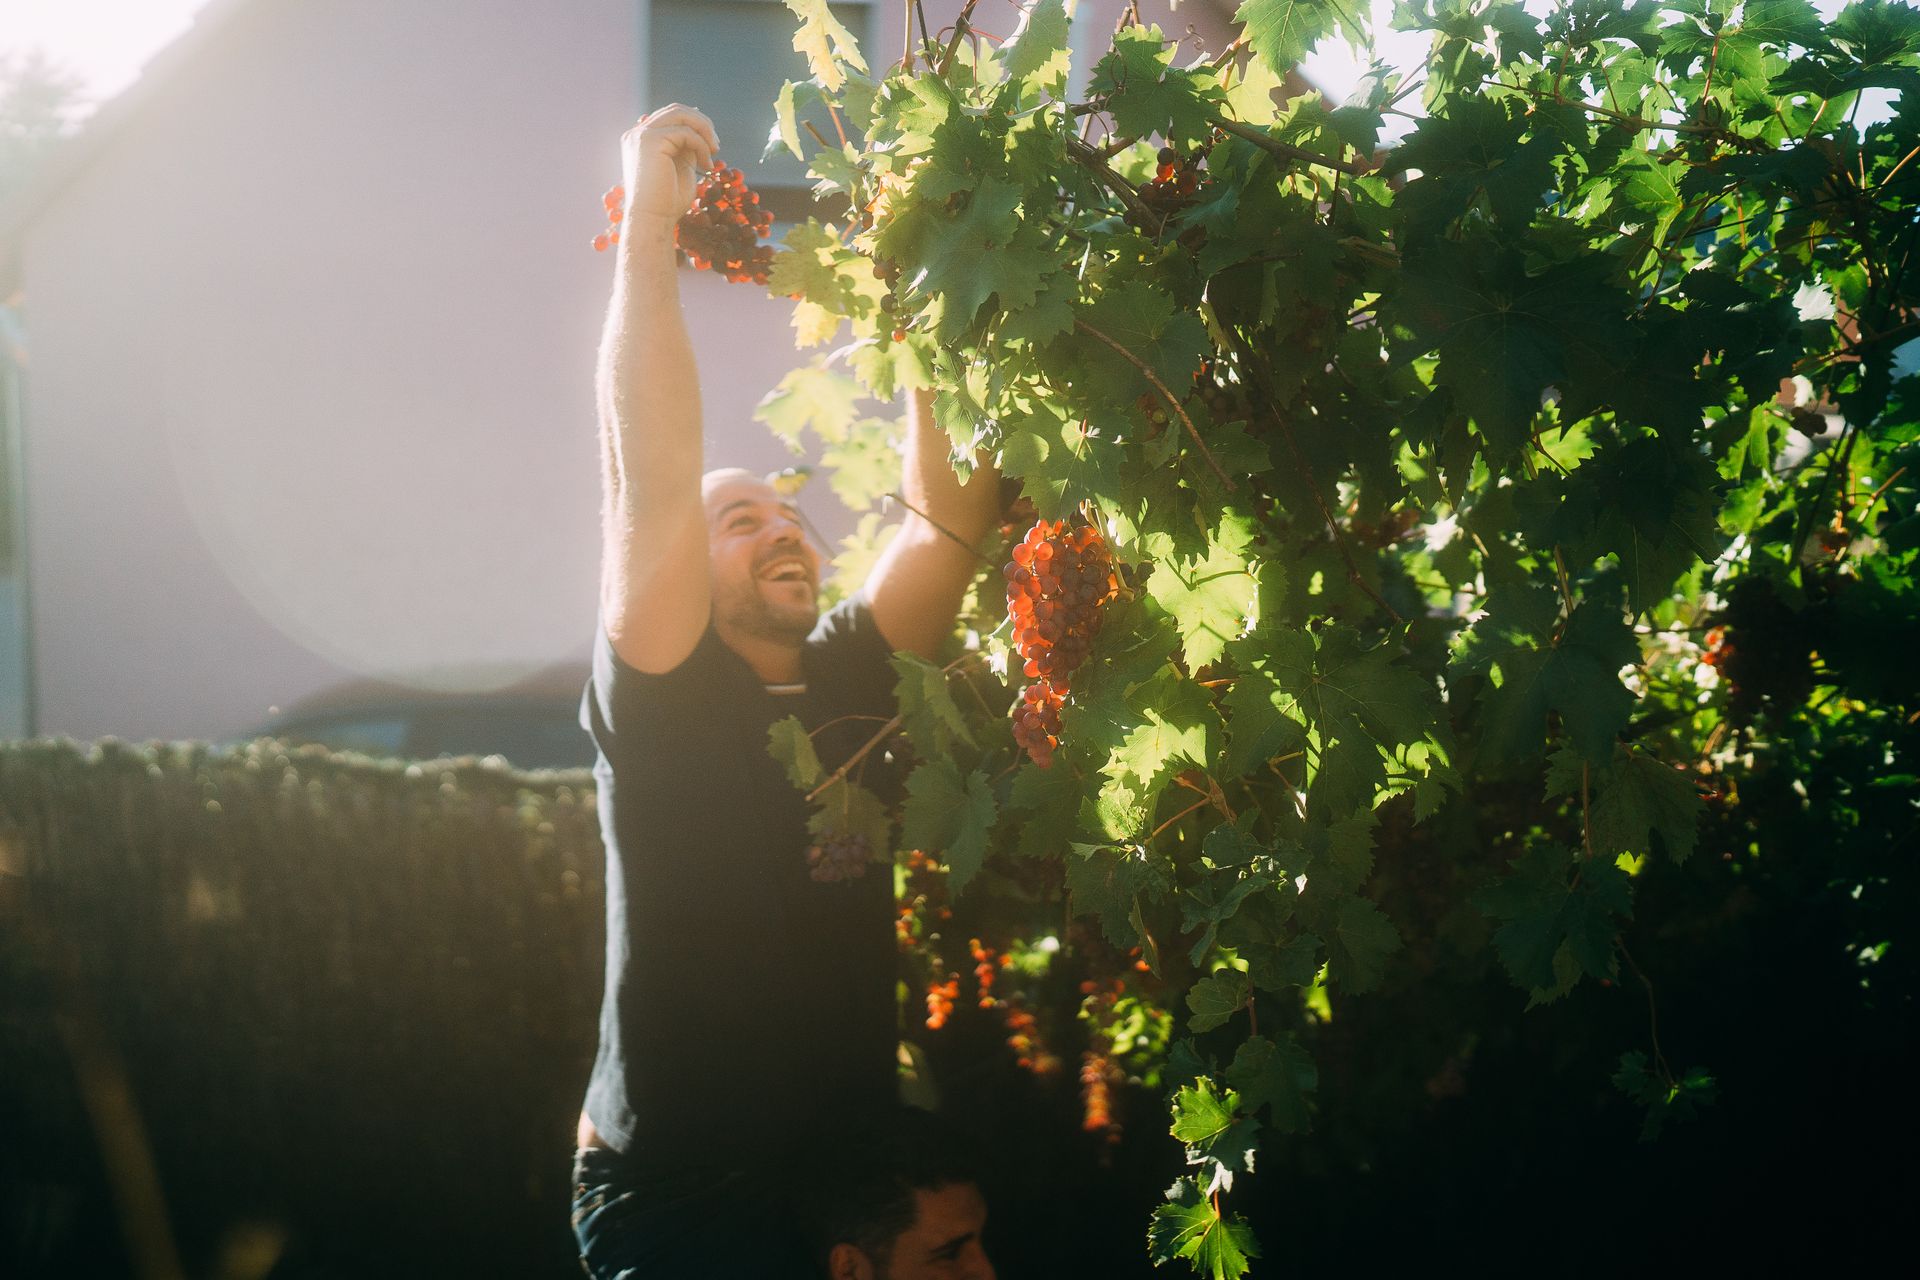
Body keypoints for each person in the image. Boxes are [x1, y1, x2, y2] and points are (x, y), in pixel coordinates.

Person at [569, 104, 1001, 1278]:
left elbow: (954, 513)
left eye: (791, 515)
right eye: (739, 519)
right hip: (681, 1185)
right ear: (683, 569)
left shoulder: (857, 667)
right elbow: (652, 471)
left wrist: (921, 291)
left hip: (837, 1177)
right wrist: (652, 208)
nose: (782, 528)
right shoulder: (665, 690)